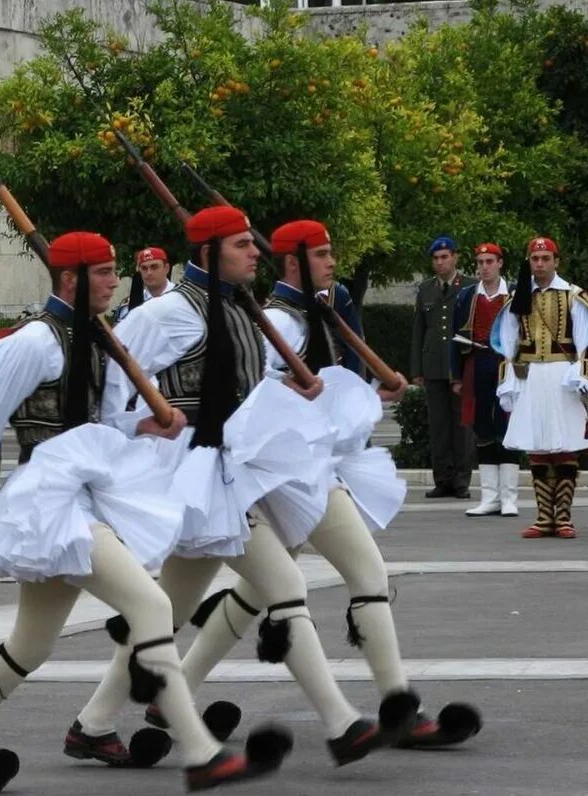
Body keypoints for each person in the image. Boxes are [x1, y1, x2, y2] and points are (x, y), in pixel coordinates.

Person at [0, 231, 291, 793]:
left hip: (80, 496)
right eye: (105, 272)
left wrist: (142, 426)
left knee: (30, 644)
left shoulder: (98, 337)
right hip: (48, 500)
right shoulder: (33, 342)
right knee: (152, 605)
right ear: (70, 279)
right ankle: (200, 752)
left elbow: (102, 421)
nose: (116, 281)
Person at [69, 208, 415, 770]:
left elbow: (241, 386)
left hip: (230, 467)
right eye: (240, 245)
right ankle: (340, 723)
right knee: (284, 586)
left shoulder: (233, 307)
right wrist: (125, 438)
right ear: (208, 254)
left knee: (167, 609)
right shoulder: (169, 312)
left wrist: (296, 392)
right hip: (194, 474)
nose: (255, 252)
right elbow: (109, 376)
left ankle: (94, 722)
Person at [167, 220, 477, 752]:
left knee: (268, 590)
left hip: (306, 471)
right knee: (346, 577)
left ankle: (168, 694)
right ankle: (393, 707)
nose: (334, 262)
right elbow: (252, 402)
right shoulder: (279, 324)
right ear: (294, 262)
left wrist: (366, 397)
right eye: (324, 255)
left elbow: (325, 391)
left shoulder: (317, 312)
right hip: (282, 476)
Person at [493, 236, 588, 539]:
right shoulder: (518, 298)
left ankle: (563, 517)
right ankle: (544, 517)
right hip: (531, 377)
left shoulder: (573, 295)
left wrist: (583, 375)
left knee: (565, 446)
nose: (539, 264)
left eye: (545, 259)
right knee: (538, 446)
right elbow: (506, 341)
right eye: (535, 259)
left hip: (562, 375)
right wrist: (507, 381)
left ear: (556, 261)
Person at [451, 243, 518, 517]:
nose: (484, 267)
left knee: (508, 425)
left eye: (490, 261)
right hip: (477, 362)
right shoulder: (467, 296)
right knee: (481, 426)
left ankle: (509, 498)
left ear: (500, 263)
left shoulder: (514, 294)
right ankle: (490, 497)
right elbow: (454, 338)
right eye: (480, 262)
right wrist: (456, 376)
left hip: (507, 364)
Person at [411, 236, 476, 499]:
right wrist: (416, 368)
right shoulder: (426, 289)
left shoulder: (470, 286)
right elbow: (419, 331)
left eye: (445, 257)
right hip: (434, 365)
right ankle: (442, 479)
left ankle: (461, 481)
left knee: (462, 427)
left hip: (459, 366)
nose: (440, 262)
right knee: (438, 426)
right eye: (436, 258)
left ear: (455, 258)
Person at [112, 246, 173, 324]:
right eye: (144, 268)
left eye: (154, 267)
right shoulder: (129, 305)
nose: (149, 273)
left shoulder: (182, 297)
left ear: (166, 268)